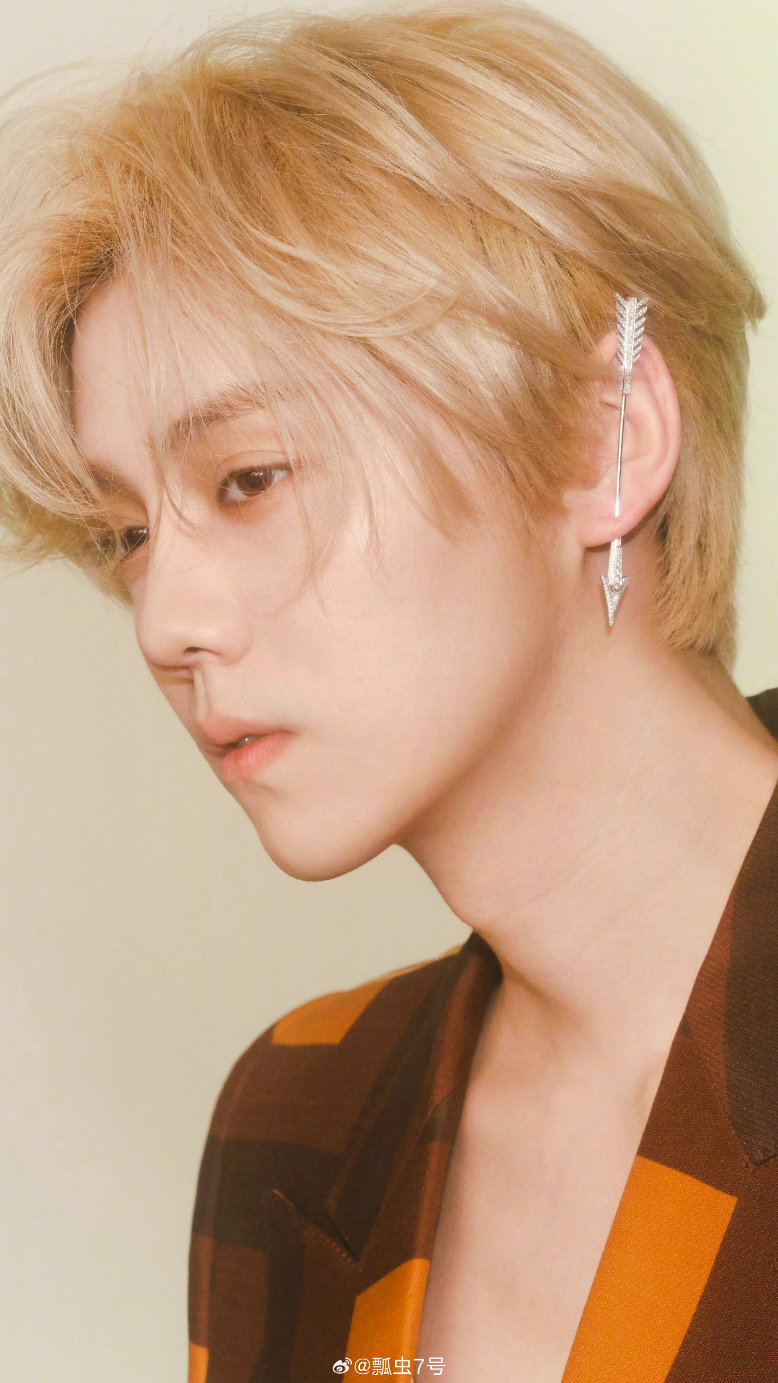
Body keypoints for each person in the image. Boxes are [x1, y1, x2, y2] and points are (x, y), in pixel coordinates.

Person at [0, 5, 776, 1380]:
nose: (165, 622)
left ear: (604, 438)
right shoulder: (299, 1119)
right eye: (128, 532)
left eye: (249, 479)